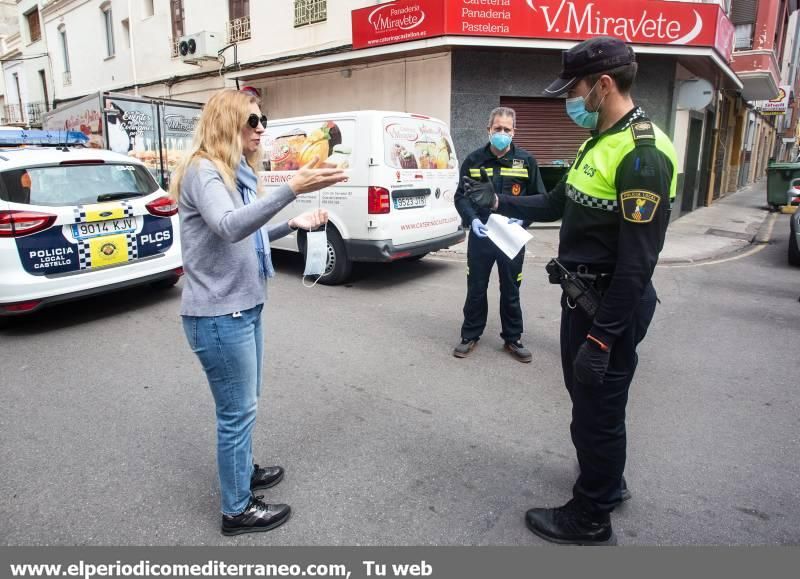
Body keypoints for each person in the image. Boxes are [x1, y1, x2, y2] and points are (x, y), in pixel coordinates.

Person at [465, 37, 677, 545]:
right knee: (593, 406)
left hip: (608, 306)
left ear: (603, 86)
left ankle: (590, 516)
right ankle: (608, 481)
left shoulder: (642, 156)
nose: (571, 99)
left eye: (576, 89)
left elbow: (636, 264)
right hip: (582, 299)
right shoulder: (598, 140)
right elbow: (559, 202)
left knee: (595, 412)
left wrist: (602, 340)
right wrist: (499, 200)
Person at [170, 89, 346, 535]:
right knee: (236, 412)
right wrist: (293, 189)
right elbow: (230, 229)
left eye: (263, 119)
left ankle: (243, 472)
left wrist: (292, 223)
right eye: (253, 121)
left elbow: (247, 232)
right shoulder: (204, 171)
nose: (262, 128)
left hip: (243, 308)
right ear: (227, 124)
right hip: (218, 315)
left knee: (244, 406)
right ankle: (236, 510)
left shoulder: (236, 175)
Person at [452, 107, 546, 362]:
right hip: (482, 236)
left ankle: (513, 338)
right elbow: (461, 197)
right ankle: (470, 334)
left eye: (507, 129)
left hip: (511, 238)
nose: (502, 133)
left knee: (511, 289)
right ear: (489, 130)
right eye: (498, 129)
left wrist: (524, 219)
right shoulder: (473, 160)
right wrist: (472, 220)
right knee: (476, 288)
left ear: (514, 131)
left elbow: (540, 199)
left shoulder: (526, 161)